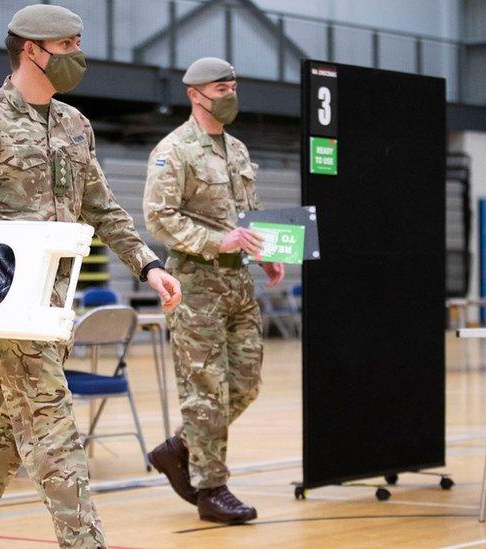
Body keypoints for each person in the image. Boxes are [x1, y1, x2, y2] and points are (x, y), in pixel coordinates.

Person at [0, 5, 181, 548]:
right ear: (31, 50)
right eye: (68, 45)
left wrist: (148, 265)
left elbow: (102, 207)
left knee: (2, 428)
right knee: (53, 428)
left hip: (54, 303)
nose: (78, 56)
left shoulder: (74, 125)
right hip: (4, 302)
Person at [142, 57, 285, 524]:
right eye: (220, 89)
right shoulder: (174, 149)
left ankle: (177, 448)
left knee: (244, 384)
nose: (229, 95)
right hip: (195, 282)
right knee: (205, 390)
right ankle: (212, 490)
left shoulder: (238, 151)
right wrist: (214, 240)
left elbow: (248, 213)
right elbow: (159, 217)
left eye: (232, 87)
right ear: (195, 94)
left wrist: (265, 250)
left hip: (237, 281)